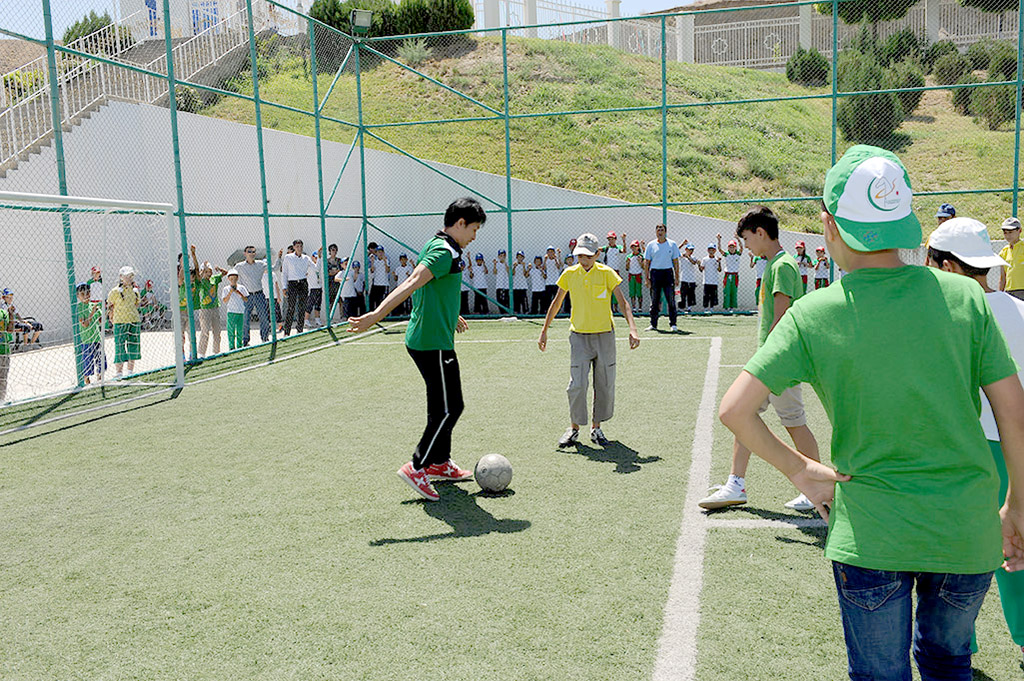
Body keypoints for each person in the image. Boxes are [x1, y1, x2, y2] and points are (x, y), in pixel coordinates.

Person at [718, 145, 1024, 681]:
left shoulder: (813, 313)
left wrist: (800, 470)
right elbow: (1014, 415)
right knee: (949, 661)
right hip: (965, 528)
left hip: (870, 535)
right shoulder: (967, 298)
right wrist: (1017, 506)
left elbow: (736, 410)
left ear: (829, 225)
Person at [926, 216, 1024, 665]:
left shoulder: (946, 316)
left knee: (956, 552)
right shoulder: (1020, 311)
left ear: (945, 265)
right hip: (1016, 447)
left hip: (966, 447)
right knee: (1018, 548)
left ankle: (958, 645)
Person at [348, 198, 487, 502]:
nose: (475, 236)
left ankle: (439, 463)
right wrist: (375, 316)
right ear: (460, 223)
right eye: (474, 229)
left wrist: (452, 314)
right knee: (450, 407)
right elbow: (412, 282)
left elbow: (435, 287)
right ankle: (417, 466)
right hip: (431, 342)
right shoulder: (442, 251)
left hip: (432, 336)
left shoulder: (439, 243)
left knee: (445, 405)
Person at [699, 206, 821, 512]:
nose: (746, 246)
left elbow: (782, 319)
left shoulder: (782, 266)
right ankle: (736, 484)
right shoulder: (779, 264)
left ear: (761, 233)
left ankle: (814, 485)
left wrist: (766, 360)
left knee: (789, 423)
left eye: (747, 238)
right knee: (749, 416)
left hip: (777, 362)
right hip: (774, 360)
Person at [538, 233, 640, 448]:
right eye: (580, 255)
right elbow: (556, 303)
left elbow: (623, 303)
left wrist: (632, 328)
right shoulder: (569, 274)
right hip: (579, 337)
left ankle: (596, 428)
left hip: (605, 336)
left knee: (603, 383)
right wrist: (544, 330)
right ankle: (574, 428)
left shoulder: (607, 274)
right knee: (577, 384)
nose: (583, 260)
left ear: (597, 254)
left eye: (587, 255)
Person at [643, 224, 680, 331]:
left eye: (662, 230)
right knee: (655, 301)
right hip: (655, 274)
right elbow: (647, 262)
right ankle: (653, 324)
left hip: (668, 274)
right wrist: (647, 278)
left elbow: (676, 262)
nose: (660, 231)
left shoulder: (672, 244)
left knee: (671, 300)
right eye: (658, 229)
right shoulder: (651, 245)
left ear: (665, 232)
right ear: (655, 232)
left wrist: (677, 277)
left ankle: (673, 324)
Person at [107, 265, 141, 378]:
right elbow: (110, 305)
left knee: (133, 345)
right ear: (121, 277)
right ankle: (119, 372)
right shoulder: (115, 291)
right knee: (119, 347)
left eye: (131, 276)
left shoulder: (135, 290)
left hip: (133, 320)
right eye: (127, 276)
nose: (130, 278)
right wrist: (111, 316)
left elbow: (137, 303)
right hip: (120, 321)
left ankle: (130, 371)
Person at [234, 245, 270, 345]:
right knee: (245, 318)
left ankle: (265, 338)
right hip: (246, 296)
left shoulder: (260, 264)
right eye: (249, 251)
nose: (252, 253)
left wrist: (279, 259)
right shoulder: (239, 266)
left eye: (253, 252)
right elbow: (232, 274)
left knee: (264, 317)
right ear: (245, 253)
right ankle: (245, 340)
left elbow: (273, 268)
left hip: (259, 294)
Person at [280, 239, 314, 336]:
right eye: (297, 246)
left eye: (301, 246)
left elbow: (315, 267)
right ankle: (287, 331)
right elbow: (285, 273)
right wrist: (284, 286)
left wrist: (319, 257)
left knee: (302, 307)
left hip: (303, 282)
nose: (299, 248)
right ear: (294, 247)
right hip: (293, 283)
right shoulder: (288, 257)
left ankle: (300, 329)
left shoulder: (306, 258)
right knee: (291, 307)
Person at [195, 259, 227, 356]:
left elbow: (225, 273)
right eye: (206, 272)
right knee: (205, 331)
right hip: (205, 309)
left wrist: (219, 269)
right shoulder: (201, 282)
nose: (209, 273)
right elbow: (198, 278)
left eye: (210, 271)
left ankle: (216, 351)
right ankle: (201, 353)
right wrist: (202, 270)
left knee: (217, 331)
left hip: (215, 307)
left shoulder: (214, 279)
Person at [76, 282, 105, 384]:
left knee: (101, 359)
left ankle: (100, 377)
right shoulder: (78, 308)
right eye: (83, 294)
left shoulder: (94, 305)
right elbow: (85, 324)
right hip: (87, 339)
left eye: (88, 293)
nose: (86, 296)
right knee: (87, 361)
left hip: (97, 337)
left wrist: (105, 310)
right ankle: (86, 379)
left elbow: (101, 321)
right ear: (78, 296)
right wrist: (92, 312)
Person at [221, 268, 249, 351]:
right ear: (228, 279)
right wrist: (230, 292)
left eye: (235, 278)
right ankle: (231, 347)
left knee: (240, 330)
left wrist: (238, 292)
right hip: (231, 312)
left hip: (240, 311)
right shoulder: (226, 289)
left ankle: (239, 345)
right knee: (231, 330)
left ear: (237, 278)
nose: (233, 280)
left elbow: (246, 299)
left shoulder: (242, 288)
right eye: (231, 278)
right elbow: (225, 300)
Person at [1000, 216, 1024, 301]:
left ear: (1019, 231)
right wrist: (1000, 294)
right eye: (1005, 233)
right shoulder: (1004, 251)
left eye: (1010, 232)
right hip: (1009, 291)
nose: (1007, 235)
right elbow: (1003, 276)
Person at [717, 233, 743, 310]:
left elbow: (742, 248)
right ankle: (726, 307)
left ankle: (733, 307)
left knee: (734, 291)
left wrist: (738, 239)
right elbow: (719, 249)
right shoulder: (726, 254)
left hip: (735, 275)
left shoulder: (738, 254)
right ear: (728, 248)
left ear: (735, 248)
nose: (732, 248)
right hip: (727, 275)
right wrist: (719, 240)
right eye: (730, 247)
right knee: (726, 291)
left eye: (733, 247)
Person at [602, 231, 626, 313]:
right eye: (609, 239)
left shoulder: (618, 247)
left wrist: (624, 241)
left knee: (615, 289)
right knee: (607, 290)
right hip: (608, 271)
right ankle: (609, 307)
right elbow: (598, 249)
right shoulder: (606, 248)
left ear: (615, 239)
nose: (611, 241)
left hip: (616, 271)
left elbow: (624, 251)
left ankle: (615, 307)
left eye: (612, 239)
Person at [369, 246, 391, 313]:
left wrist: (384, 261)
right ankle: (373, 313)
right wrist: (372, 262)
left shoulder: (386, 260)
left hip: (384, 283)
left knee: (382, 300)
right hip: (376, 283)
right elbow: (372, 270)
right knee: (373, 299)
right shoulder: (375, 261)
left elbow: (387, 270)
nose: (380, 253)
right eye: (378, 252)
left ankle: (384, 314)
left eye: (381, 252)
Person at [305, 250, 324, 329]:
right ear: (312, 257)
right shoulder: (310, 265)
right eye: (315, 257)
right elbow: (316, 268)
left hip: (318, 287)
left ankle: (317, 319)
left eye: (318, 257)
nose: (317, 259)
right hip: (312, 288)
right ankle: (306, 320)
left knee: (318, 304)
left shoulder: (318, 264)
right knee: (310, 304)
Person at [677, 242, 698, 314]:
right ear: (686, 249)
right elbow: (676, 251)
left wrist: (688, 257)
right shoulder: (682, 257)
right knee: (682, 294)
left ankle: (689, 308)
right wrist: (682, 244)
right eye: (689, 249)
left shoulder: (693, 257)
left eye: (692, 250)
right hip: (684, 278)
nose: (691, 251)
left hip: (692, 279)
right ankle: (681, 308)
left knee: (691, 294)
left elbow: (693, 262)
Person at [699, 244, 721, 311]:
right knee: (706, 295)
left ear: (715, 251)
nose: (711, 251)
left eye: (713, 249)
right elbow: (701, 269)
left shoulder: (717, 259)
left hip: (714, 281)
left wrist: (719, 262)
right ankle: (705, 308)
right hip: (706, 281)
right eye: (710, 249)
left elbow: (719, 270)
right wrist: (699, 264)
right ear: (707, 250)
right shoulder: (705, 259)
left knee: (713, 295)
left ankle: (711, 308)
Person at [625, 240, 644, 313]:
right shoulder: (629, 256)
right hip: (631, 275)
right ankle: (633, 307)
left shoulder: (641, 256)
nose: (633, 248)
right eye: (632, 246)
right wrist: (628, 263)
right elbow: (626, 268)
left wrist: (640, 262)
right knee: (632, 292)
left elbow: (643, 267)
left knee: (639, 292)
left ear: (638, 247)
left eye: (635, 246)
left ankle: (640, 307)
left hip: (638, 275)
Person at [326, 244, 343, 322]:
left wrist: (335, 272)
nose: (334, 251)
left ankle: (342, 317)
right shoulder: (327, 261)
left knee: (341, 300)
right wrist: (336, 271)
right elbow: (328, 273)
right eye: (332, 250)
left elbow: (341, 270)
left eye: (335, 250)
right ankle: (330, 318)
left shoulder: (339, 260)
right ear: (330, 251)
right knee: (331, 302)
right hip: (330, 284)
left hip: (339, 283)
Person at [511, 251, 529, 315]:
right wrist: (514, 267)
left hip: (523, 286)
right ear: (516, 257)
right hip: (516, 286)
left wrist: (524, 266)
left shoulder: (525, 264)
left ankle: (525, 311)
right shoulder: (514, 264)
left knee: (524, 301)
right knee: (516, 301)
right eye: (518, 257)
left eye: (521, 257)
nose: (520, 258)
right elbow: (512, 274)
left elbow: (526, 275)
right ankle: (516, 312)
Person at [0, 295, 10, 401]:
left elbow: (9, 330)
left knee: (3, 378)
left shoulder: (4, 313)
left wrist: (11, 316)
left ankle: (1, 400)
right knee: (2, 378)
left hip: (4, 349)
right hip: (4, 350)